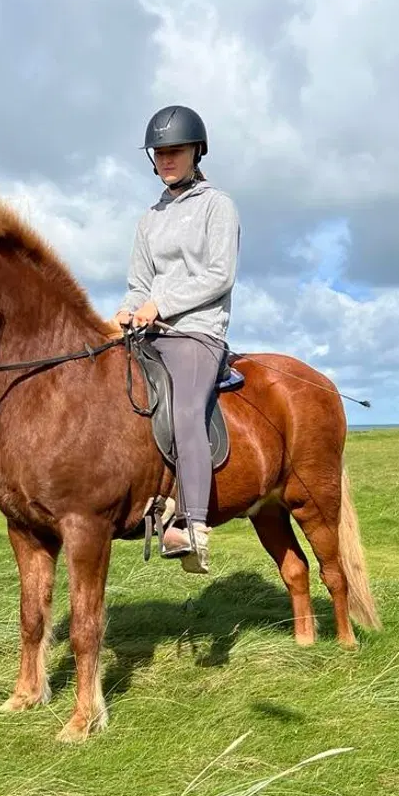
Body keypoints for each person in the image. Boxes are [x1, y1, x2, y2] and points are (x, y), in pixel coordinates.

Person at [114, 104, 240, 575]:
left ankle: (193, 527)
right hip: (150, 332)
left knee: (186, 409)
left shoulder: (217, 205)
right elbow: (138, 282)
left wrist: (159, 304)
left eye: (176, 151)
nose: (167, 159)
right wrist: (129, 308)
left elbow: (219, 275)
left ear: (196, 152)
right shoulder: (149, 219)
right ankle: (145, 500)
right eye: (160, 152)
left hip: (198, 332)